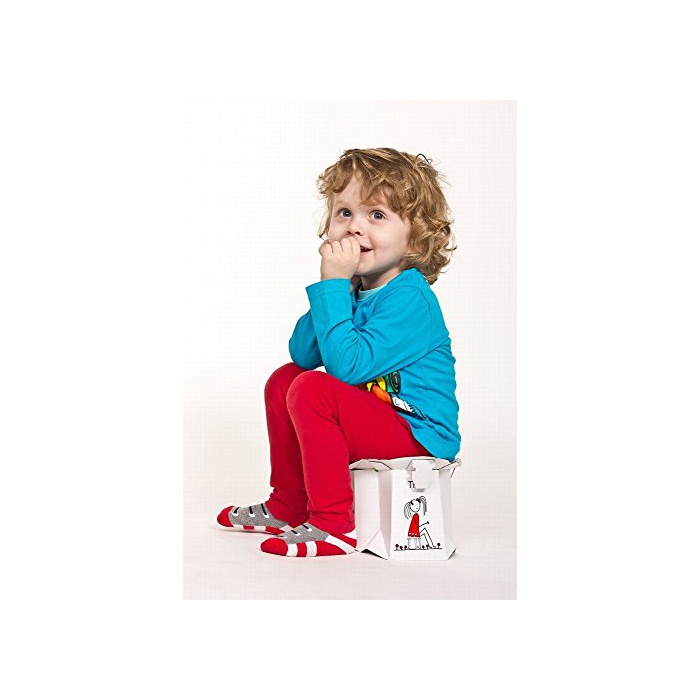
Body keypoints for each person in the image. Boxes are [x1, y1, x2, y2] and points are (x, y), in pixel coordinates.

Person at [216, 147, 461, 557]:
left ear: (415, 235)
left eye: (376, 215)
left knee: (313, 389)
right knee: (286, 379)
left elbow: (346, 368)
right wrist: (338, 285)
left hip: (418, 435)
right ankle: (289, 505)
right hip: (374, 418)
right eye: (344, 212)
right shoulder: (354, 288)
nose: (354, 227)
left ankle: (334, 525)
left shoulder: (410, 299)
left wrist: (333, 286)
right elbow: (303, 353)